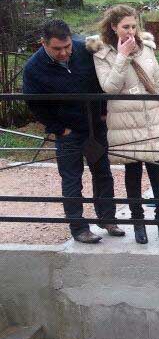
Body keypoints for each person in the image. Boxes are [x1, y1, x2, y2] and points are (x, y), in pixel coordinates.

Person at [23, 19, 123, 244]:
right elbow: (33, 104)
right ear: (44, 44)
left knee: (103, 173)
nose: (64, 52)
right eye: (57, 48)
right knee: (71, 179)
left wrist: (103, 111)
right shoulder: (33, 69)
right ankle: (79, 228)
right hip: (68, 132)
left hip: (94, 125)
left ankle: (107, 219)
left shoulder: (84, 49)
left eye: (67, 46)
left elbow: (101, 79)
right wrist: (59, 128)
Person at [87, 5, 159, 245]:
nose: (131, 31)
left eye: (134, 26)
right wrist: (123, 56)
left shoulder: (146, 47)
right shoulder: (102, 53)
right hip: (126, 122)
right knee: (133, 173)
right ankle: (139, 222)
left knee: (158, 170)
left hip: (153, 117)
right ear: (114, 27)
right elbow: (110, 88)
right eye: (126, 27)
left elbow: (158, 82)